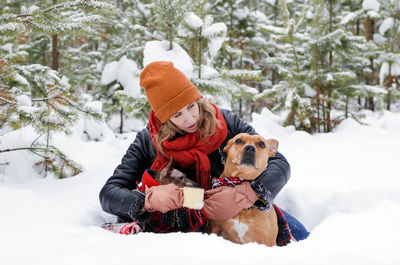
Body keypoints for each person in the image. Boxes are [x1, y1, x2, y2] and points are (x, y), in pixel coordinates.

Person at [99, 61, 309, 243]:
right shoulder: (148, 141)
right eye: (177, 114)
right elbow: (109, 194)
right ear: (164, 118)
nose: (190, 119)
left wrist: (245, 194)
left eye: (192, 106)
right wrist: (147, 200)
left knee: (301, 236)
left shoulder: (225, 123)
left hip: (240, 208)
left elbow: (279, 162)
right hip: (184, 219)